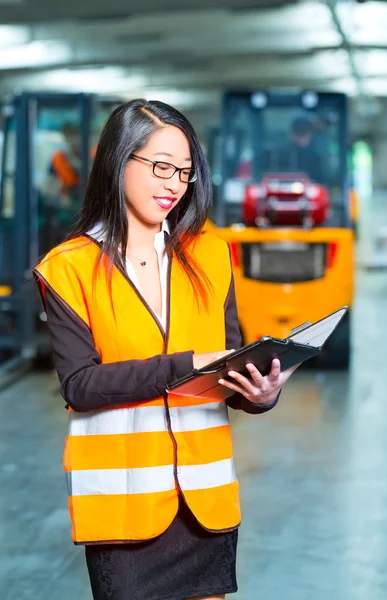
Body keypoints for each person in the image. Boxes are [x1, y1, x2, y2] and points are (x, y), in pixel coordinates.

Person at [33, 99, 298, 600]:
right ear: (118, 161)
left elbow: (228, 367)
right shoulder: (68, 269)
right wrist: (182, 366)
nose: (175, 183)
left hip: (205, 500)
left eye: (186, 171)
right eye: (160, 166)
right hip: (123, 506)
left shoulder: (212, 256)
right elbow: (80, 386)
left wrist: (257, 394)